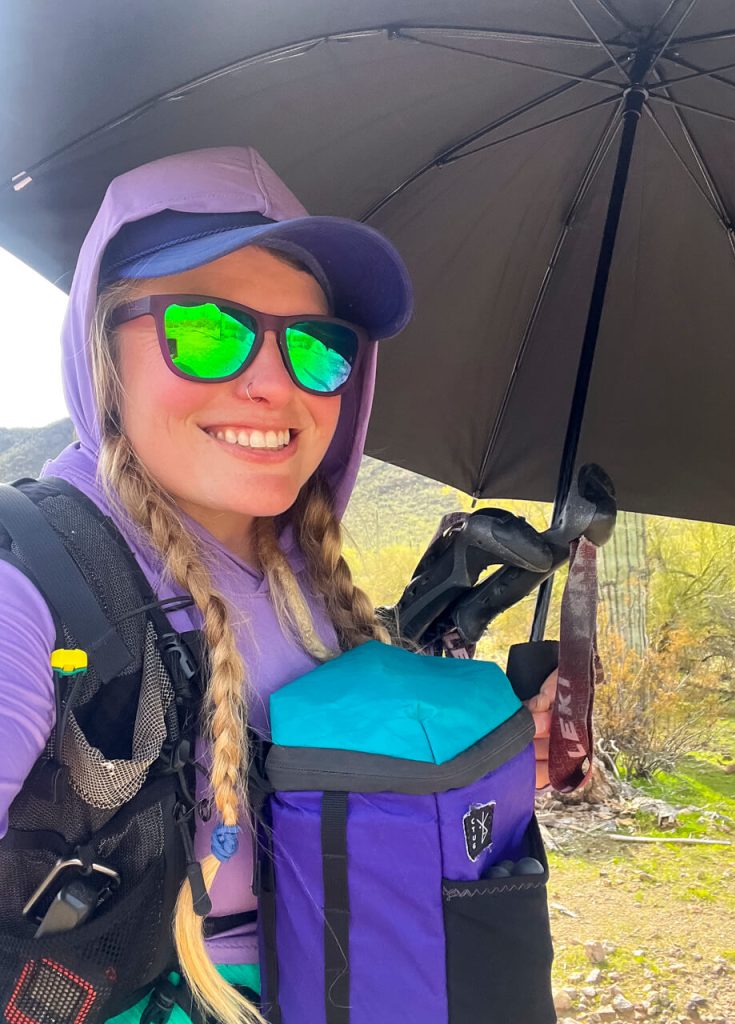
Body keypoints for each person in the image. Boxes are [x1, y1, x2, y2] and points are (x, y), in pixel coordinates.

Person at [0, 146, 556, 1024]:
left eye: (315, 346)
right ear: (103, 352)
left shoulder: (303, 578)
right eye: (209, 332)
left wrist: (481, 737)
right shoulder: (28, 585)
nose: (271, 384)